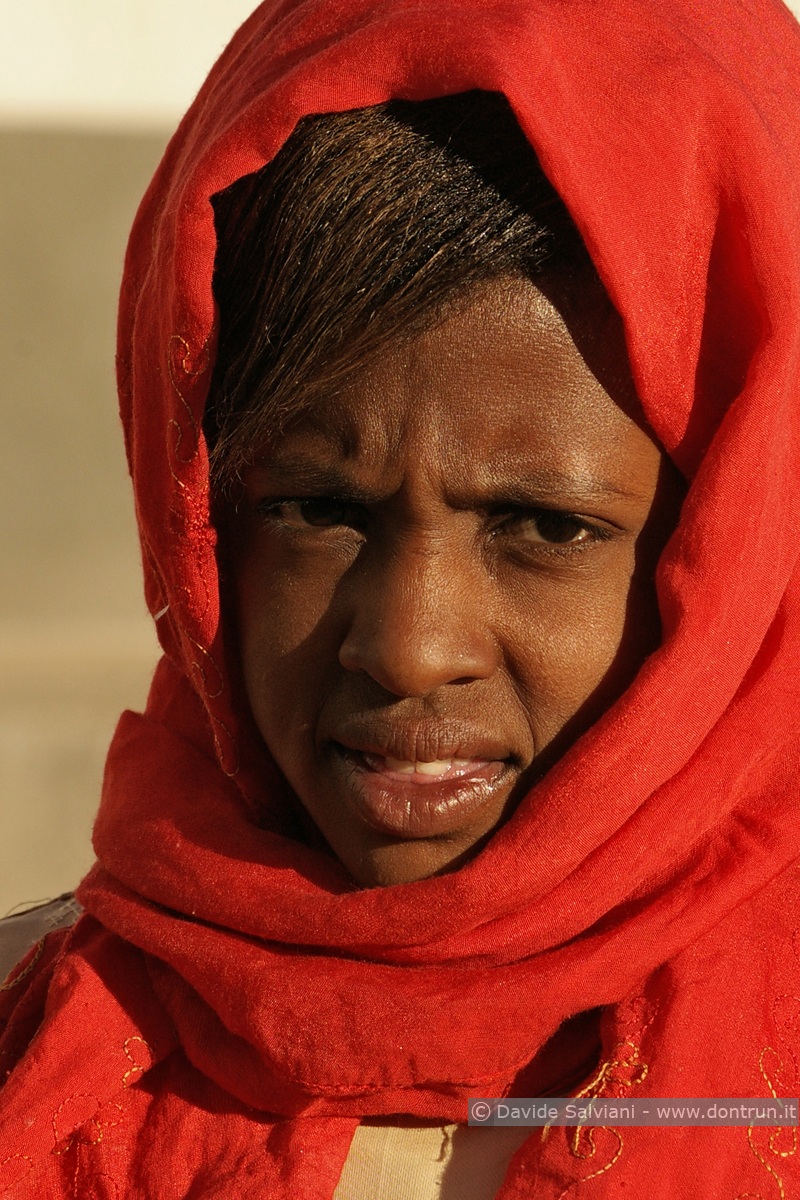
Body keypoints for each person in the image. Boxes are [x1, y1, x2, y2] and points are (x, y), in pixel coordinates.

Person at [1, 0, 799, 1196]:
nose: (408, 648)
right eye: (317, 509)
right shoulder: (34, 1050)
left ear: (733, 547)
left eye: (546, 526)